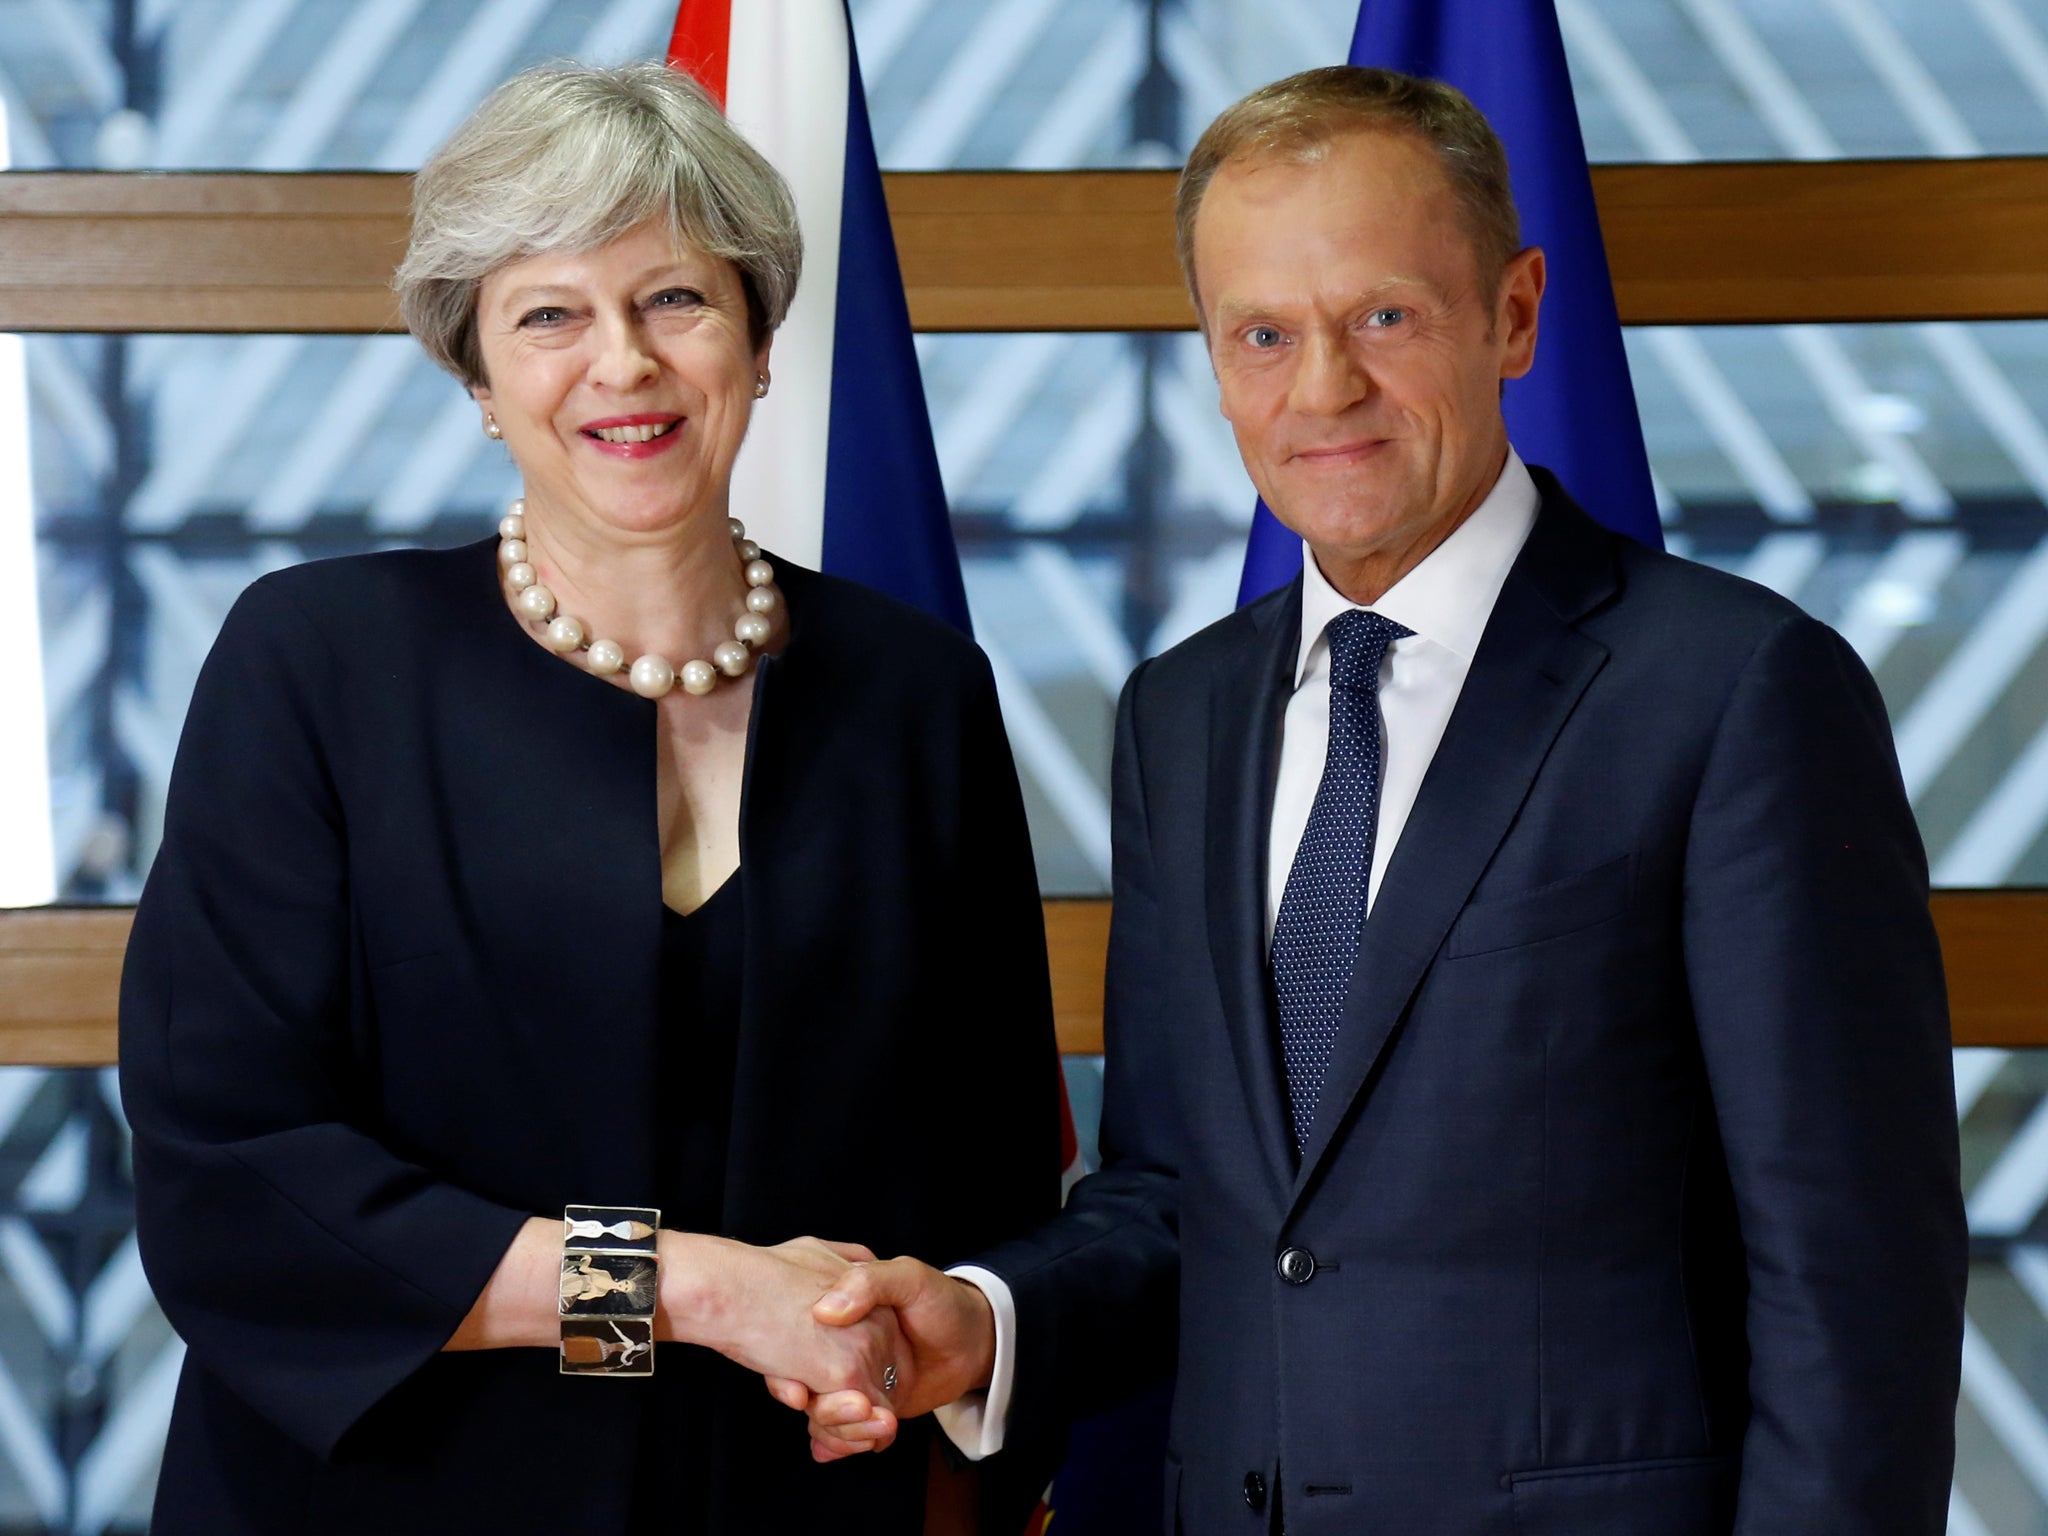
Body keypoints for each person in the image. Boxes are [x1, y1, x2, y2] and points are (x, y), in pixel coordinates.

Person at [798, 65, 1967, 1535]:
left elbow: (1851, 1274)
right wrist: (985, 1323)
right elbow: (1183, 1196)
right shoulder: (1184, 712)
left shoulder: (1738, 693)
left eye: (1386, 318)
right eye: (1264, 335)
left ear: (1519, 314)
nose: (1322, 390)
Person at [117, 62, 1059, 1535]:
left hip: (797, 1506)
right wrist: (694, 1290)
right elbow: (238, 1190)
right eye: (549, 314)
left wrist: (895, 1321)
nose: (621, 361)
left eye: (675, 299)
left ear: (755, 333)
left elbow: (995, 1171)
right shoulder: (315, 665)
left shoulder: (919, 694)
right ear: (479, 378)